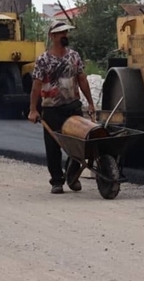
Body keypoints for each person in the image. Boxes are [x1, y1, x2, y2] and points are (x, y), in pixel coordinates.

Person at [28, 20, 96, 194]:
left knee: (78, 144)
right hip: (51, 109)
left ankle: (72, 175)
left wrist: (90, 102)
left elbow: (82, 80)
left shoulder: (74, 56)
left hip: (72, 107)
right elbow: (36, 85)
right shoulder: (43, 60)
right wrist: (33, 109)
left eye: (66, 32)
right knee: (53, 147)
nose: (65, 35)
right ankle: (57, 181)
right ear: (52, 36)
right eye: (61, 33)